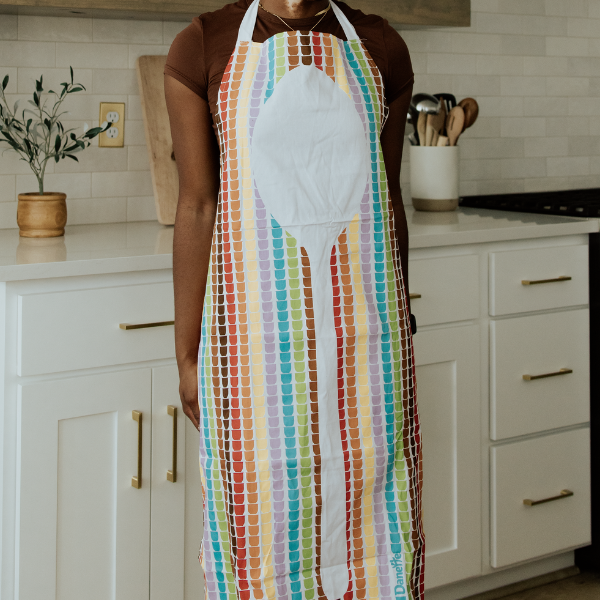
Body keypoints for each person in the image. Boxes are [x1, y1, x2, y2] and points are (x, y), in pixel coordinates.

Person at [164, 1, 424, 598]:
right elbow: (198, 205)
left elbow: (386, 197)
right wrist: (187, 352)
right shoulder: (202, 45)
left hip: (368, 344)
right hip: (253, 347)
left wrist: (401, 322)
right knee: (262, 524)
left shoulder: (382, 47)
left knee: (377, 527)